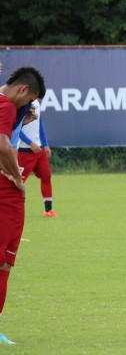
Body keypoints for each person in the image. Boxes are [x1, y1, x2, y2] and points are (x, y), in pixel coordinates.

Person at [0, 66, 46, 344]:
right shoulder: (6, 106)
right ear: (23, 89)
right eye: (30, 101)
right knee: (4, 263)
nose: (29, 107)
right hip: (5, 192)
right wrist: (17, 177)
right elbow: (4, 147)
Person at [18, 99, 57, 217]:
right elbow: (15, 128)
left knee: (46, 176)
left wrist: (45, 144)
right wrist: (30, 143)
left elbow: (40, 124)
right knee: (17, 182)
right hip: (23, 150)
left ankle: (48, 210)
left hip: (39, 149)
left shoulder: (37, 102)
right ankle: (12, 210)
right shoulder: (19, 101)